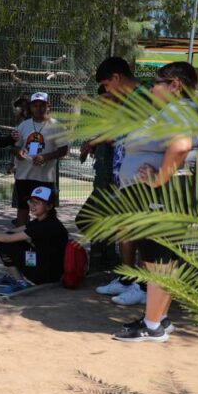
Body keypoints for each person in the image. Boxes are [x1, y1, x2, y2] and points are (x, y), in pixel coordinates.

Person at [112, 61, 198, 343]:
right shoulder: (180, 110)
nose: (152, 87)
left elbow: (181, 146)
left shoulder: (180, 110)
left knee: (158, 262)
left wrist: (158, 179)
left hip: (161, 196)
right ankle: (157, 318)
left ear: (175, 85)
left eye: (157, 82)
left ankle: (152, 327)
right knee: (161, 261)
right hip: (160, 196)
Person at [85, 57, 144, 302]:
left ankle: (142, 288)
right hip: (124, 179)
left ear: (117, 77)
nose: (107, 91)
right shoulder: (128, 102)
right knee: (125, 230)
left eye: (107, 85)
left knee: (141, 233)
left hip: (141, 179)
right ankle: (127, 279)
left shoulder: (143, 98)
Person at [0, 186, 69, 295]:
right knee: (8, 240)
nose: (32, 206)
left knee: (3, 244)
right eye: (31, 202)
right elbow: (12, 232)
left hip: (46, 275)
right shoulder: (42, 221)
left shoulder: (46, 226)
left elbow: (6, 239)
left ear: (49, 206)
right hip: (46, 266)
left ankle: (20, 283)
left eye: (37, 203)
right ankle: (13, 277)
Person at [12, 92, 69, 226]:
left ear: (49, 106)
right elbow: (14, 147)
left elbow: (63, 150)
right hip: (24, 176)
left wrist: (45, 157)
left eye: (42, 105)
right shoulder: (23, 125)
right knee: (23, 210)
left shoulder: (56, 126)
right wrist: (18, 152)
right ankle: (22, 243)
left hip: (44, 178)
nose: (39, 108)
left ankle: (43, 242)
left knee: (45, 212)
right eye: (35, 105)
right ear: (31, 107)